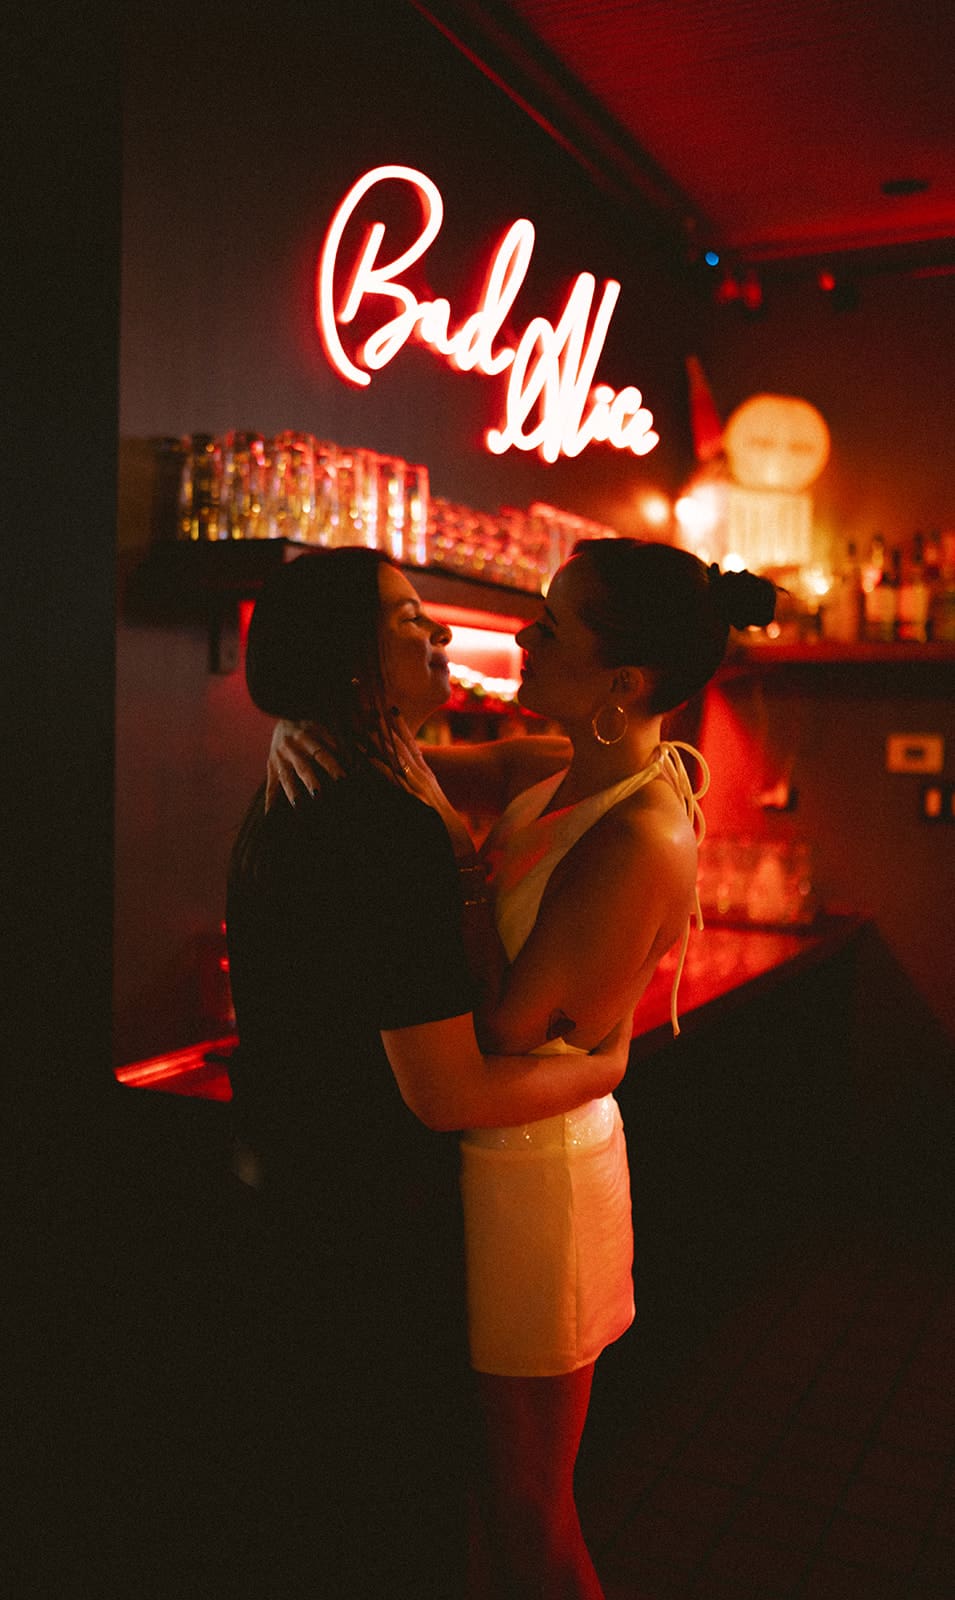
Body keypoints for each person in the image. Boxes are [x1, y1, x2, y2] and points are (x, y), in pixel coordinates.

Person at [270, 537, 777, 1599]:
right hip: (484, 1157)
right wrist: (312, 735)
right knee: (468, 1492)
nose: (521, 635)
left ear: (622, 684)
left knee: (528, 1514)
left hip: (533, 1177)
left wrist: (443, 865)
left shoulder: (637, 830)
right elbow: (441, 768)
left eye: (550, 626)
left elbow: (501, 1028)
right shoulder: (560, 770)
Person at [225, 546, 633, 1600]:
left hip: (289, 1202)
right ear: (355, 654)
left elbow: (512, 769)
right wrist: (603, 1068)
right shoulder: (379, 820)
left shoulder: (313, 773)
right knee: (393, 1518)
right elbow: (443, 1091)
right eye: (412, 618)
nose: (443, 633)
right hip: (368, 1226)